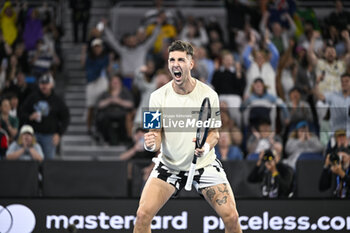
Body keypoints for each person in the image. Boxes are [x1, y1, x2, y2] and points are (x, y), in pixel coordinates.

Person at [134, 40, 242, 233]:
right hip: (169, 166)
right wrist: (150, 144)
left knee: (232, 218)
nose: (176, 64)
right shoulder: (157, 97)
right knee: (142, 216)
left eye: (181, 60)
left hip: (204, 165)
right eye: (172, 60)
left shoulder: (209, 95)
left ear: (191, 64)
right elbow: (155, 136)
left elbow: (214, 133)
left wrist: (206, 148)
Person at [20, 73, 70, 159]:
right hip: (33, 134)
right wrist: (30, 117)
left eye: (46, 84)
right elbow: (21, 112)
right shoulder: (32, 97)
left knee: (48, 163)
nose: (44, 86)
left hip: (49, 136)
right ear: (39, 85)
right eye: (42, 84)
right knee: (31, 161)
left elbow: (66, 118)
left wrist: (59, 133)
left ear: (52, 85)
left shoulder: (57, 100)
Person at [95, 74, 134, 145]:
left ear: (120, 83)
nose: (115, 84)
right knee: (103, 119)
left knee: (127, 118)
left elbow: (131, 104)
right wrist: (109, 100)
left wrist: (119, 101)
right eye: (113, 82)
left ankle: (125, 139)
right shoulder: (106, 93)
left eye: (117, 82)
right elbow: (99, 104)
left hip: (122, 114)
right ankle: (108, 139)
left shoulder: (125, 92)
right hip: (108, 114)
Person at [319, 129, 350, 198]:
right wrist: (326, 166)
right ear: (336, 139)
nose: (341, 139)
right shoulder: (333, 155)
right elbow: (322, 187)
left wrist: (342, 174)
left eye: (343, 136)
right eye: (339, 137)